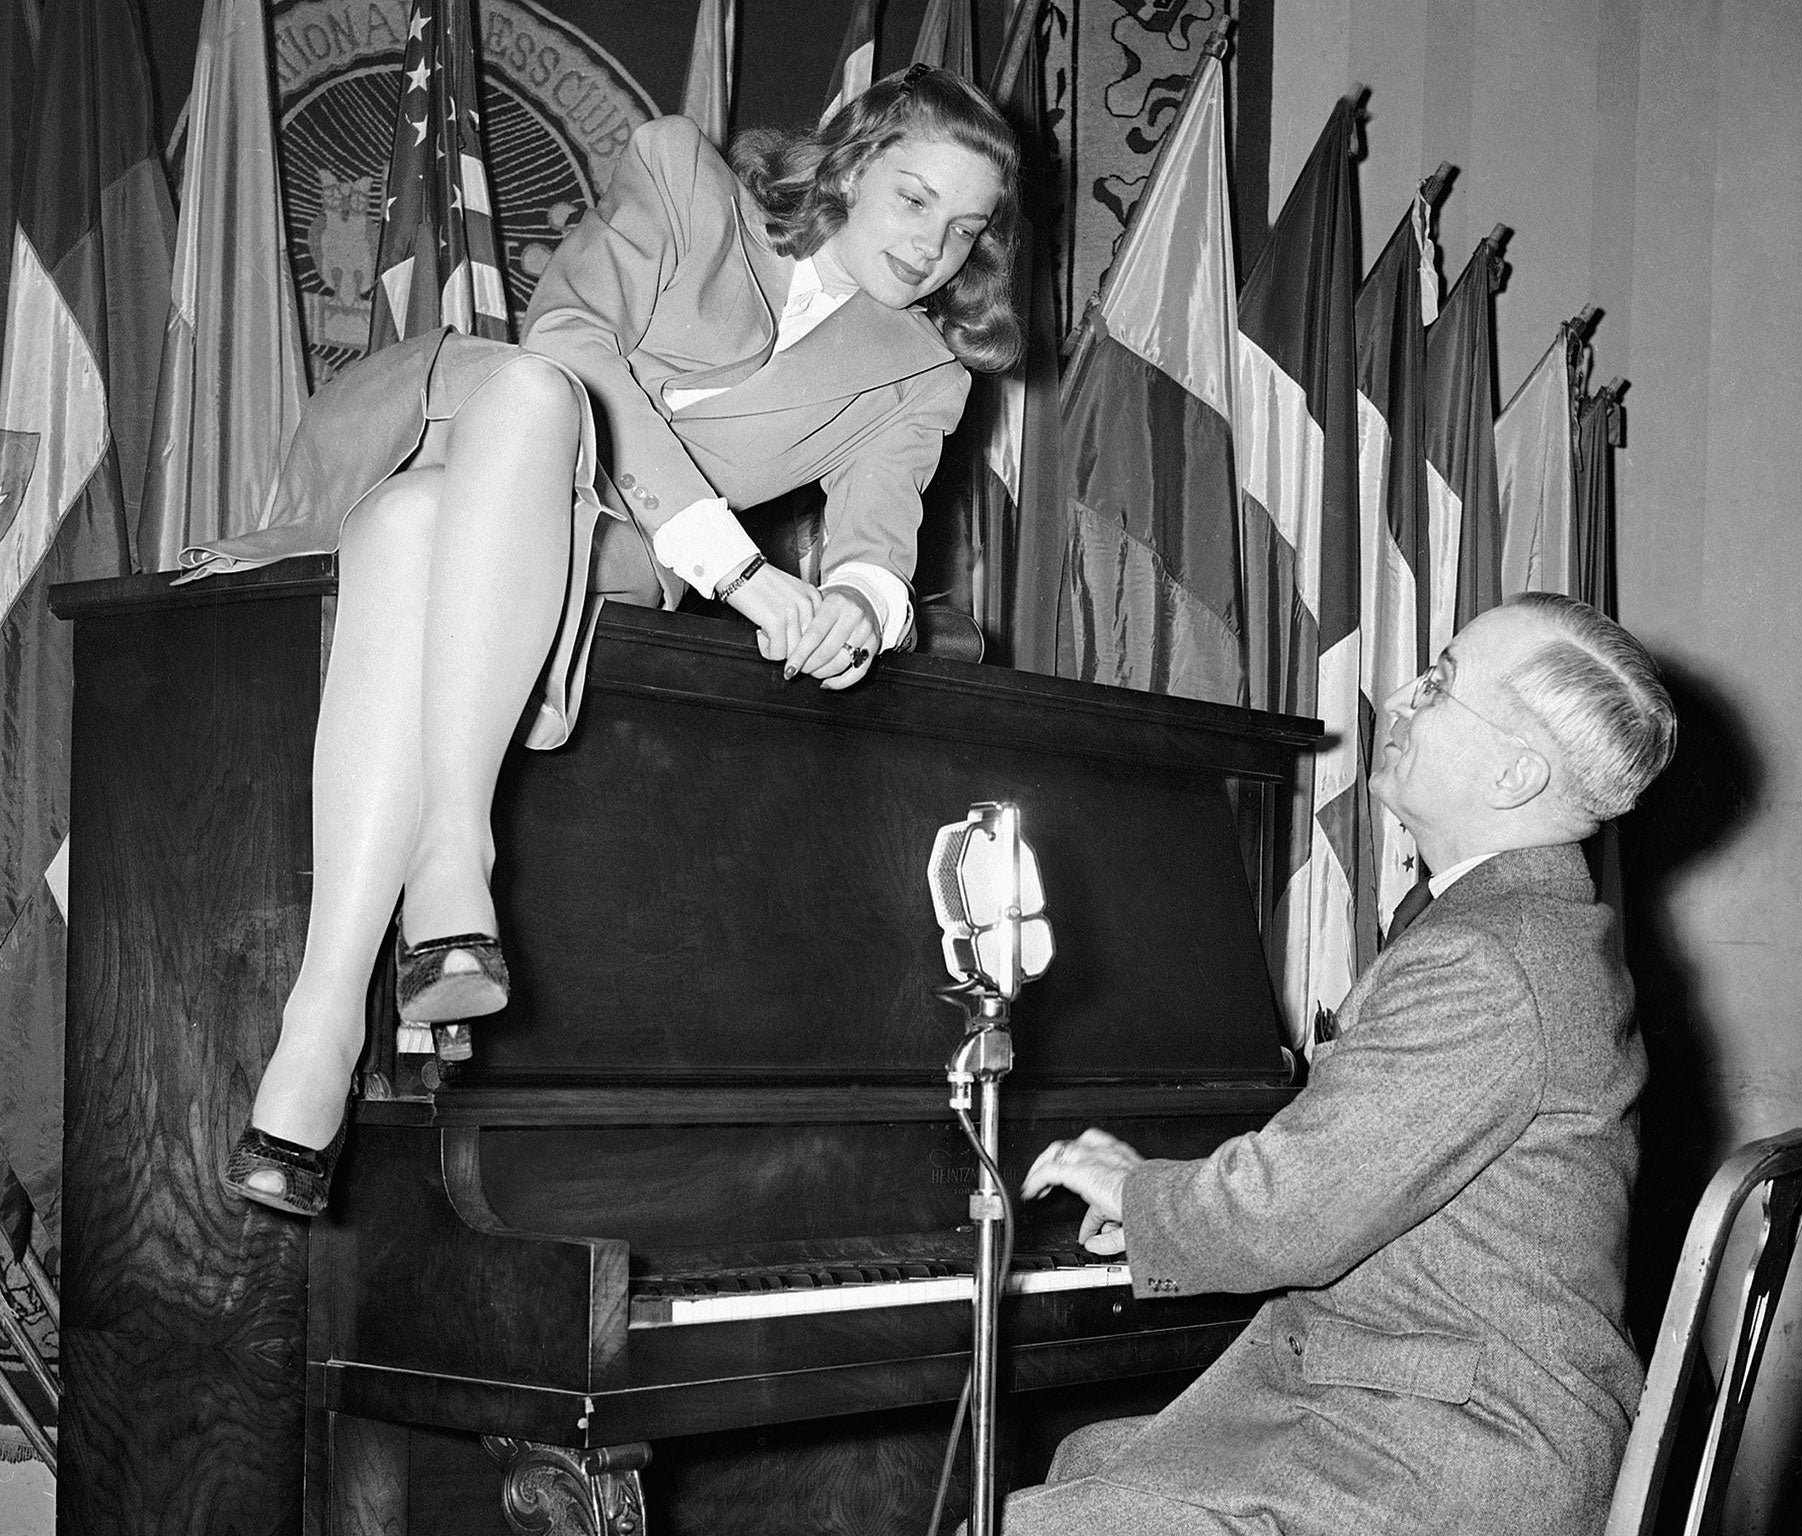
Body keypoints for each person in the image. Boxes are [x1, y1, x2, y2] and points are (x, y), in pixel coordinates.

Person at [194, 65, 1022, 1216]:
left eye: (965, 227)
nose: (934, 245)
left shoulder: (919, 371)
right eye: (915, 198)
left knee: (410, 527)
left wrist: (854, 610)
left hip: (600, 544)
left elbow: (882, 542)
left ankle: (320, 1026)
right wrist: (739, 569)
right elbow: (572, 336)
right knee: (534, 398)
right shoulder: (685, 173)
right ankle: (449, 859)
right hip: (461, 420)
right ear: (848, 165)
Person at [1008, 592, 1677, 1536]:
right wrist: (1187, 1203)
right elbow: (1351, 1167)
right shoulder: (1526, 927)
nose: (1401, 697)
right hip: (1430, 1398)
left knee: (1040, 1520)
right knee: (1084, 1466)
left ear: (1516, 773)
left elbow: (1299, 1213)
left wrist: (1145, 1194)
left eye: (1440, 684)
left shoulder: (1491, 958)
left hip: (1458, 1443)